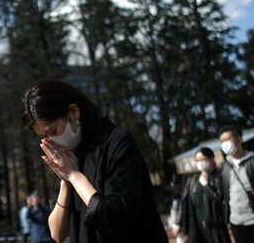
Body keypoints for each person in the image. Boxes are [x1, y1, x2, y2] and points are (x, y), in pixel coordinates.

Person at [21, 80, 168, 243]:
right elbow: (57, 233)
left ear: (73, 112)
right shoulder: (68, 159)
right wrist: (66, 182)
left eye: (53, 131)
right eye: (43, 137)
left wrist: (75, 176)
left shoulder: (117, 143)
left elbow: (115, 218)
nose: (51, 142)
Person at [218, 125, 254, 243]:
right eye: (222, 141)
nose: (224, 143)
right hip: (237, 223)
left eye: (227, 139)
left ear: (239, 139)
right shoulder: (223, 167)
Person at [172, 147, 230, 243]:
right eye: (197, 160)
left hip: (216, 227)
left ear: (211, 159)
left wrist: (206, 185)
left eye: (203, 159)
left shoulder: (219, 177)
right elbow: (184, 202)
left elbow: (219, 198)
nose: (200, 163)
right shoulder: (193, 179)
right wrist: (178, 223)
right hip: (197, 227)